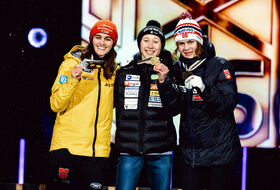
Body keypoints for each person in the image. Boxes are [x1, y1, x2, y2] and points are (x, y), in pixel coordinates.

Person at [157, 11, 242, 190]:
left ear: (199, 42)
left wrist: (204, 89)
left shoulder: (220, 65)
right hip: (191, 154)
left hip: (220, 153)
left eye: (190, 42)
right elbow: (173, 109)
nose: (186, 47)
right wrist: (164, 83)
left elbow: (228, 102)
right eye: (181, 43)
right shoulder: (178, 68)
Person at [47, 19, 118, 190]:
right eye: (98, 37)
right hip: (66, 149)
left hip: (97, 154)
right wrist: (73, 80)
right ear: (91, 39)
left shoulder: (114, 71)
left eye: (108, 39)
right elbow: (56, 105)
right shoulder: (71, 64)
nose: (102, 42)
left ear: (113, 43)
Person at [114, 20, 177, 190]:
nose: (150, 45)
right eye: (146, 40)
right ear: (139, 43)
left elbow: (174, 108)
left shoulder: (170, 71)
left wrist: (164, 81)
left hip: (160, 150)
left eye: (155, 41)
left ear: (161, 45)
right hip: (129, 149)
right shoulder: (125, 71)